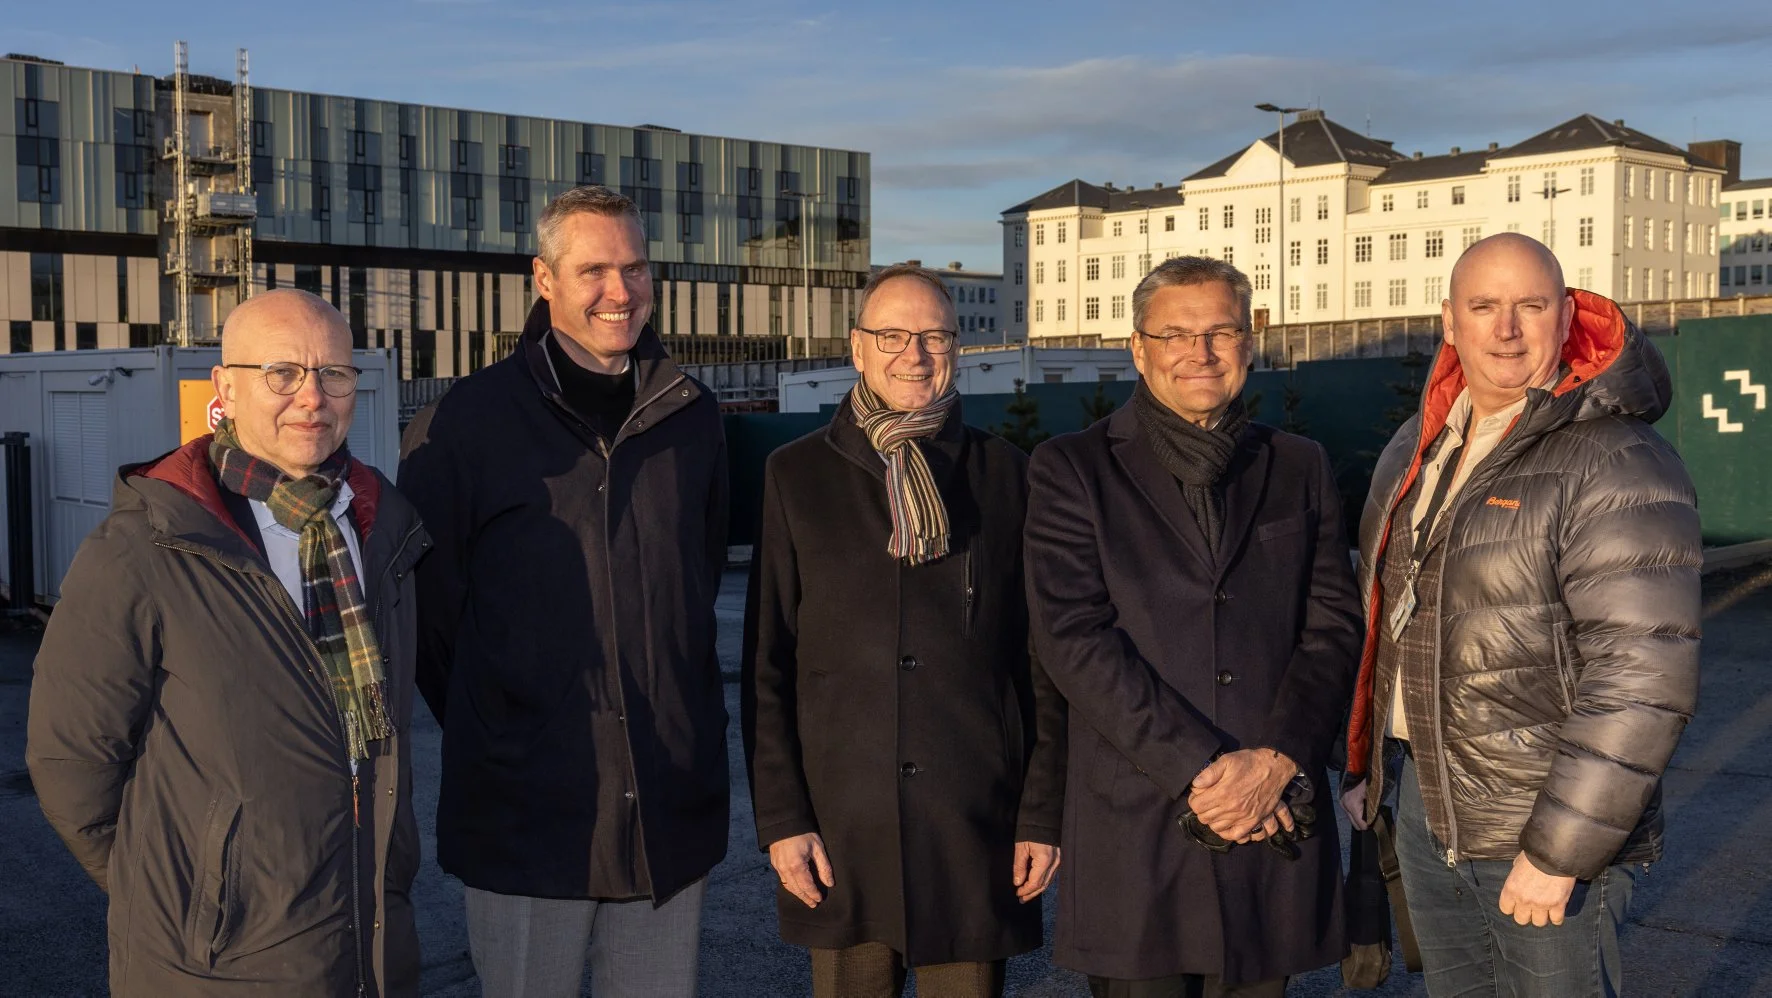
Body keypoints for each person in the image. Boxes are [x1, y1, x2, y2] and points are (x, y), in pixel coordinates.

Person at [27, 290, 427, 996]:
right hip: (210, 966)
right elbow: (71, 758)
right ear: (226, 388)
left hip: (369, 947)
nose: (311, 397)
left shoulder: (379, 526)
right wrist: (187, 898)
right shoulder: (148, 544)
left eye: (334, 374)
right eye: (282, 373)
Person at [1340, 232, 1701, 997]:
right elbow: (1387, 618)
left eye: (1530, 306)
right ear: (1449, 320)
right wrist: (1368, 766)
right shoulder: (1420, 444)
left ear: (1566, 315)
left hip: (1537, 833)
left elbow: (1643, 676)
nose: (1506, 329)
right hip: (1432, 812)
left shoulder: (1613, 457)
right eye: (1485, 306)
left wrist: (1558, 852)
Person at [397, 185, 728, 997]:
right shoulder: (463, 425)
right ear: (543, 279)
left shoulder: (693, 417)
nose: (621, 292)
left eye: (636, 268)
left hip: (664, 808)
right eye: (594, 270)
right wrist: (509, 721)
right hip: (525, 814)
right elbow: (431, 623)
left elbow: (696, 581)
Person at [1024, 256, 1364, 998]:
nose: (1199, 353)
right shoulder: (1071, 469)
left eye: (1219, 332)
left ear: (1250, 341)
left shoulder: (1298, 465)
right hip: (1142, 828)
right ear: (1138, 349)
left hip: (1270, 819)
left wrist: (1276, 762)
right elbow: (1073, 638)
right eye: (1174, 334)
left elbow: (1334, 624)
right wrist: (1203, 771)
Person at [743, 264, 1067, 998]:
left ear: (957, 347)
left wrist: (1042, 814)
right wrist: (783, 820)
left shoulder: (1008, 477)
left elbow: (1041, 664)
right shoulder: (796, 476)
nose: (913, 353)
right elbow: (768, 662)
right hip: (841, 825)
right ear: (857, 348)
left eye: (933, 335)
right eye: (892, 334)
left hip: (972, 820)